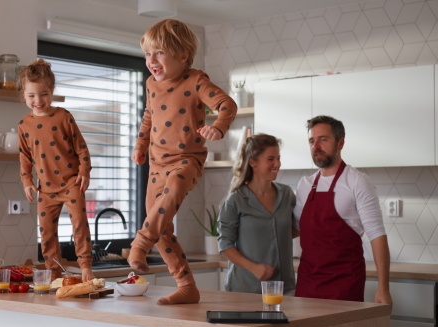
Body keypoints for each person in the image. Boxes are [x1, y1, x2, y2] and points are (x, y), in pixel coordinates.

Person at [128, 19, 237, 305]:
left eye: (159, 52)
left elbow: (227, 104)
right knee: (161, 226)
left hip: (187, 160)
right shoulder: (152, 83)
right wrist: (140, 145)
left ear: (182, 55)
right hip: (156, 165)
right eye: (148, 53)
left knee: (175, 187)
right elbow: (149, 116)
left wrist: (218, 127)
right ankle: (186, 286)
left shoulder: (195, 80)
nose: (151, 60)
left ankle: (140, 243)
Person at [294, 115, 392, 305]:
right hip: (307, 285)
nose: (316, 146)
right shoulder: (304, 185)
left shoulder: (357, 181)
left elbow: (376, 234)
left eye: (323, 139)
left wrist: (383, 288)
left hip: (344, 286)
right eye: (312, 141)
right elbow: (296, 228)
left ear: (340, 143)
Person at [17, 59, 95, 282]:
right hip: (46, 189)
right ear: (24, 94)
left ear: (51, 92)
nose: (38, 100)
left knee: (79, 224)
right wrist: (27, 181)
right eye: (32, 95)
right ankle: (53, 271)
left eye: (44, 94)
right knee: (46, 232)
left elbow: (81, 148)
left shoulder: (63, 116)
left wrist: (85, 172)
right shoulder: (24, 124)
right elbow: (24, 156)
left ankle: (85, 266)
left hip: (72, 183)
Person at [218, 134, 297, 294]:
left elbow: (293, 229)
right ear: (253, 162)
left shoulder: (287, 194)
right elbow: (224, 244)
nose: (277, 164)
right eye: (270, 159)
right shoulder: (236, 200)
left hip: (283, 287)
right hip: (246, 288)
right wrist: (254, 268)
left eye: (278, 158)